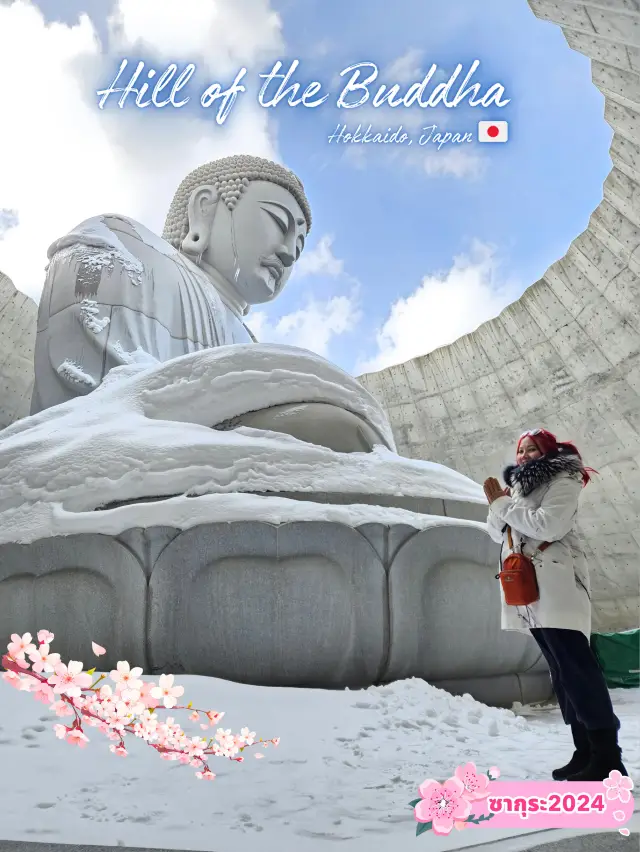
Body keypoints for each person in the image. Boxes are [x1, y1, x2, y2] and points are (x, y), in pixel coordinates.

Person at [483, 428, 627, 783]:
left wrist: (504, 506)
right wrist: (500, 505)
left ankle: (608, 757)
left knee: (578, 670)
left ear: (548, 451)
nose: (524, 455)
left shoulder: (563, 480)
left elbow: (549, 526)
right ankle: (585, 750)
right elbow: (495, 531)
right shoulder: (518, 489)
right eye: (521, 450)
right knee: (561, 674)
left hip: (558, 585)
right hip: (530, 591)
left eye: (532, 449)